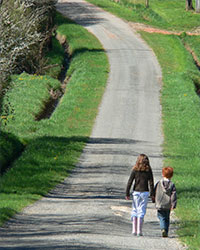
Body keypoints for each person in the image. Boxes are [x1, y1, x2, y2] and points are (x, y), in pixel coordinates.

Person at [125, 154, 154, 236]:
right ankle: (139, 231)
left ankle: (134, 230)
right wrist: (152, 194)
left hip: (136, 192)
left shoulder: (135, 170)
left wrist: (127, 193)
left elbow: (130, 182)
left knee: (135, 209)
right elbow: (151, 182)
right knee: (142, 210)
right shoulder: (148, 170)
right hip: (145, 192)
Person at [153, 167, 177, 237]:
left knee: (161, 217)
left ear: (163, 174)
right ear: (172, 175)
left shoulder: (159, 183)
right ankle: (166, 230)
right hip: (168, 205)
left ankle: (163, 228)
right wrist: (173, 204)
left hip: (160, 204)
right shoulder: (172, 185)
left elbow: (154, 192)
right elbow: (173, 195)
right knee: (167, 218)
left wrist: (154, 199)